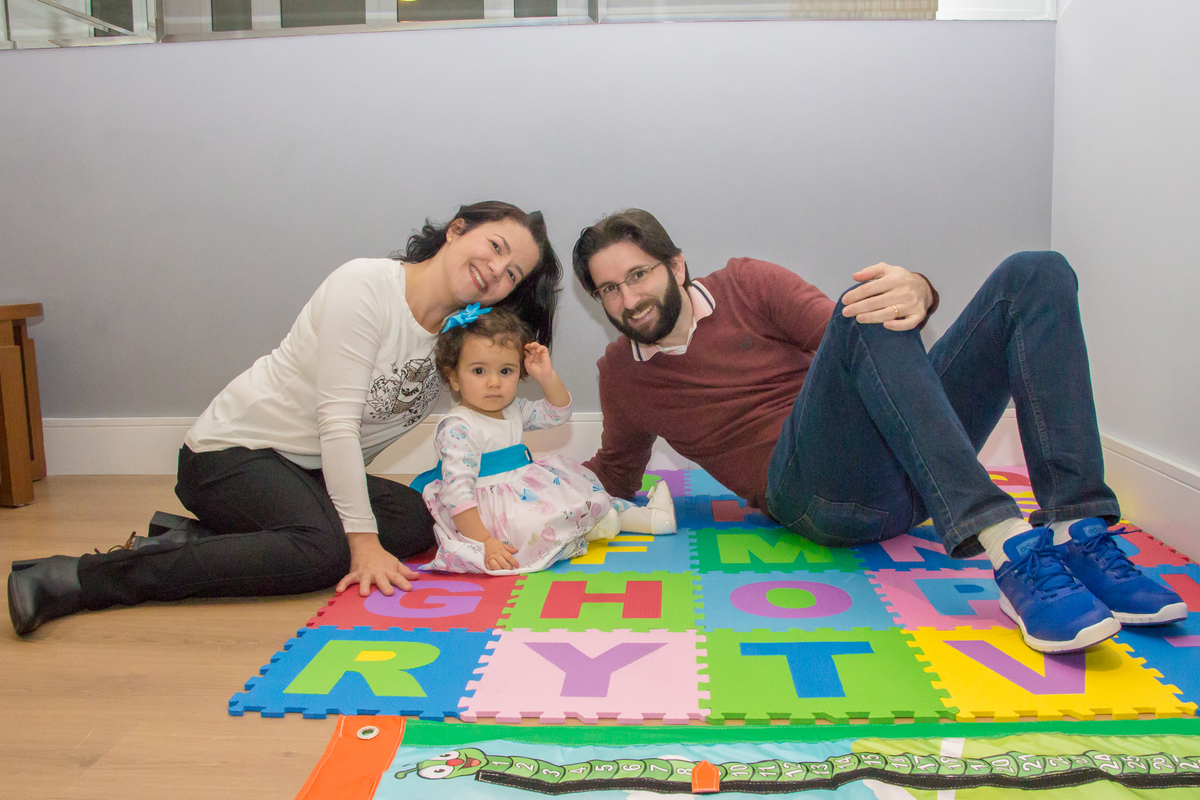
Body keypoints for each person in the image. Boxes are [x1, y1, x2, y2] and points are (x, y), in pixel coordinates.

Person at [572, 208, 1185, 655]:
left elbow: (857, 341)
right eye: (609, 290)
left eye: (638, 274)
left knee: (1035, 272)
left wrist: (920, 290)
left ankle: (1076, 528)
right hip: (814, 496)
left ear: (676, 265)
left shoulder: (747, 285)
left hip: (914, 464)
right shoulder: (622, 376)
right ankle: (1009, 549)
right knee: (860, 311)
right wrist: (528, 483)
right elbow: (614, 475)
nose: (628, 299)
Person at [8, 201, 563, 636]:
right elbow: (338, 425)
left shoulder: (458, 337)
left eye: (512, 272)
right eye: (494, 246)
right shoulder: (366, 286)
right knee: (327, 549)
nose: (495, 270)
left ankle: (196, 541)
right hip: (231, 453)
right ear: (457, 230)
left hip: (306, 470)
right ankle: (76, 579)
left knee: (418, 521)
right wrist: (361, 543)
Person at [415, 306, 675, 574]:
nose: (494, 382)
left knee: (583, 494)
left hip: (524, 490)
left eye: (505, 371)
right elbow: (458, 494)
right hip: (487, 514)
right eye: (479, 371)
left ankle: (649, 519)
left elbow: (557, 412)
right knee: (538, 523)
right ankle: (595, 527)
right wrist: (485, 542)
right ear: (454, 377)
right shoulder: (458, 426)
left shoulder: (512, 409)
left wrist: (546, 376)